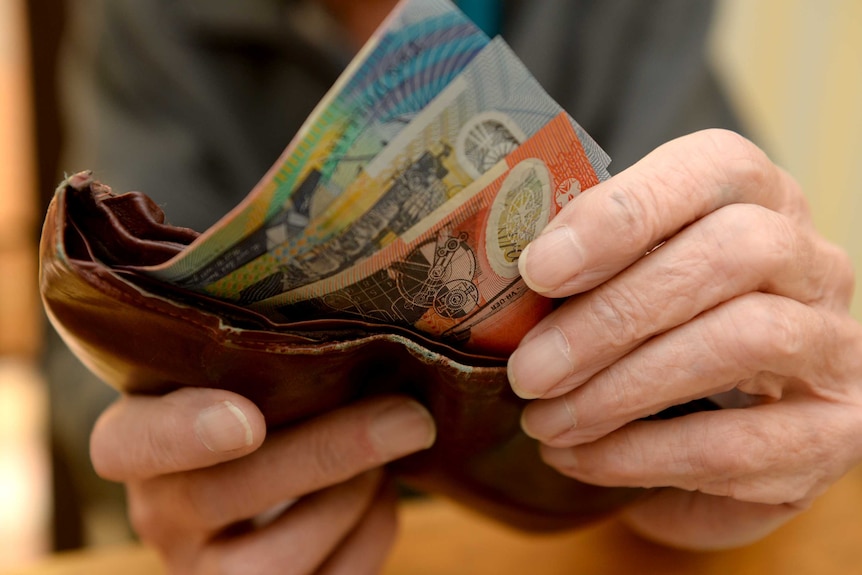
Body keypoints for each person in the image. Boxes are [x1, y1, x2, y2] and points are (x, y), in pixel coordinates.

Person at [49, 0, 862, 572]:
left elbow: (745, 299)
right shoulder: (148, 15)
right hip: (311, 533)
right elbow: (97, 342)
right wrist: (165, 470)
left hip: (604, 531)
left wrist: (775, 386)